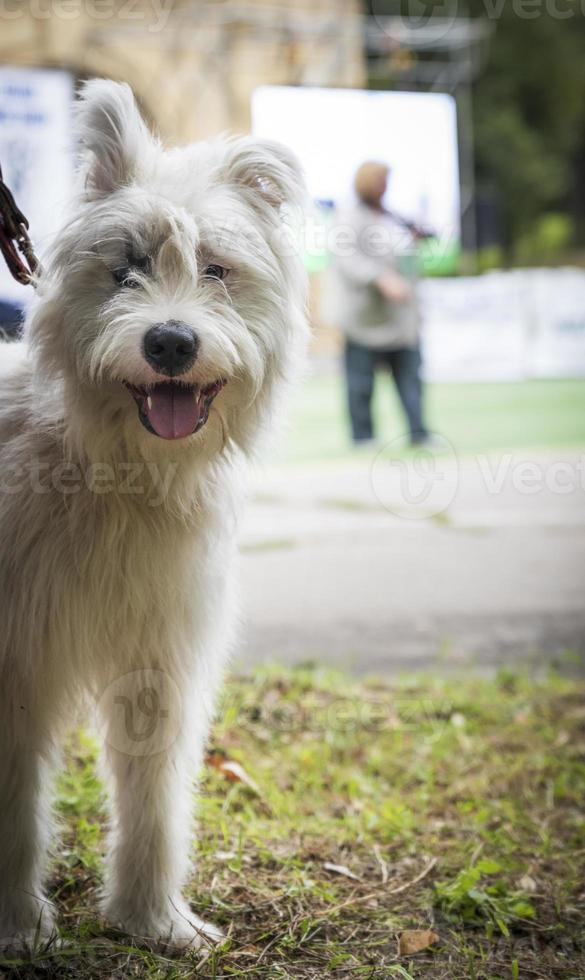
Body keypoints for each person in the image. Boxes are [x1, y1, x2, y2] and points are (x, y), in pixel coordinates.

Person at [333, 161, 429, 446]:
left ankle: (418, 433)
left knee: (410, 379)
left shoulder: (393, 216)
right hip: (365, 318)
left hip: (401, 318)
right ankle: (363, 437)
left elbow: (404, 256)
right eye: (380, 180)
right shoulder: (349, 217)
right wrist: (380, 278)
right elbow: (347, 260)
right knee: (360, 383)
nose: (384, 186)